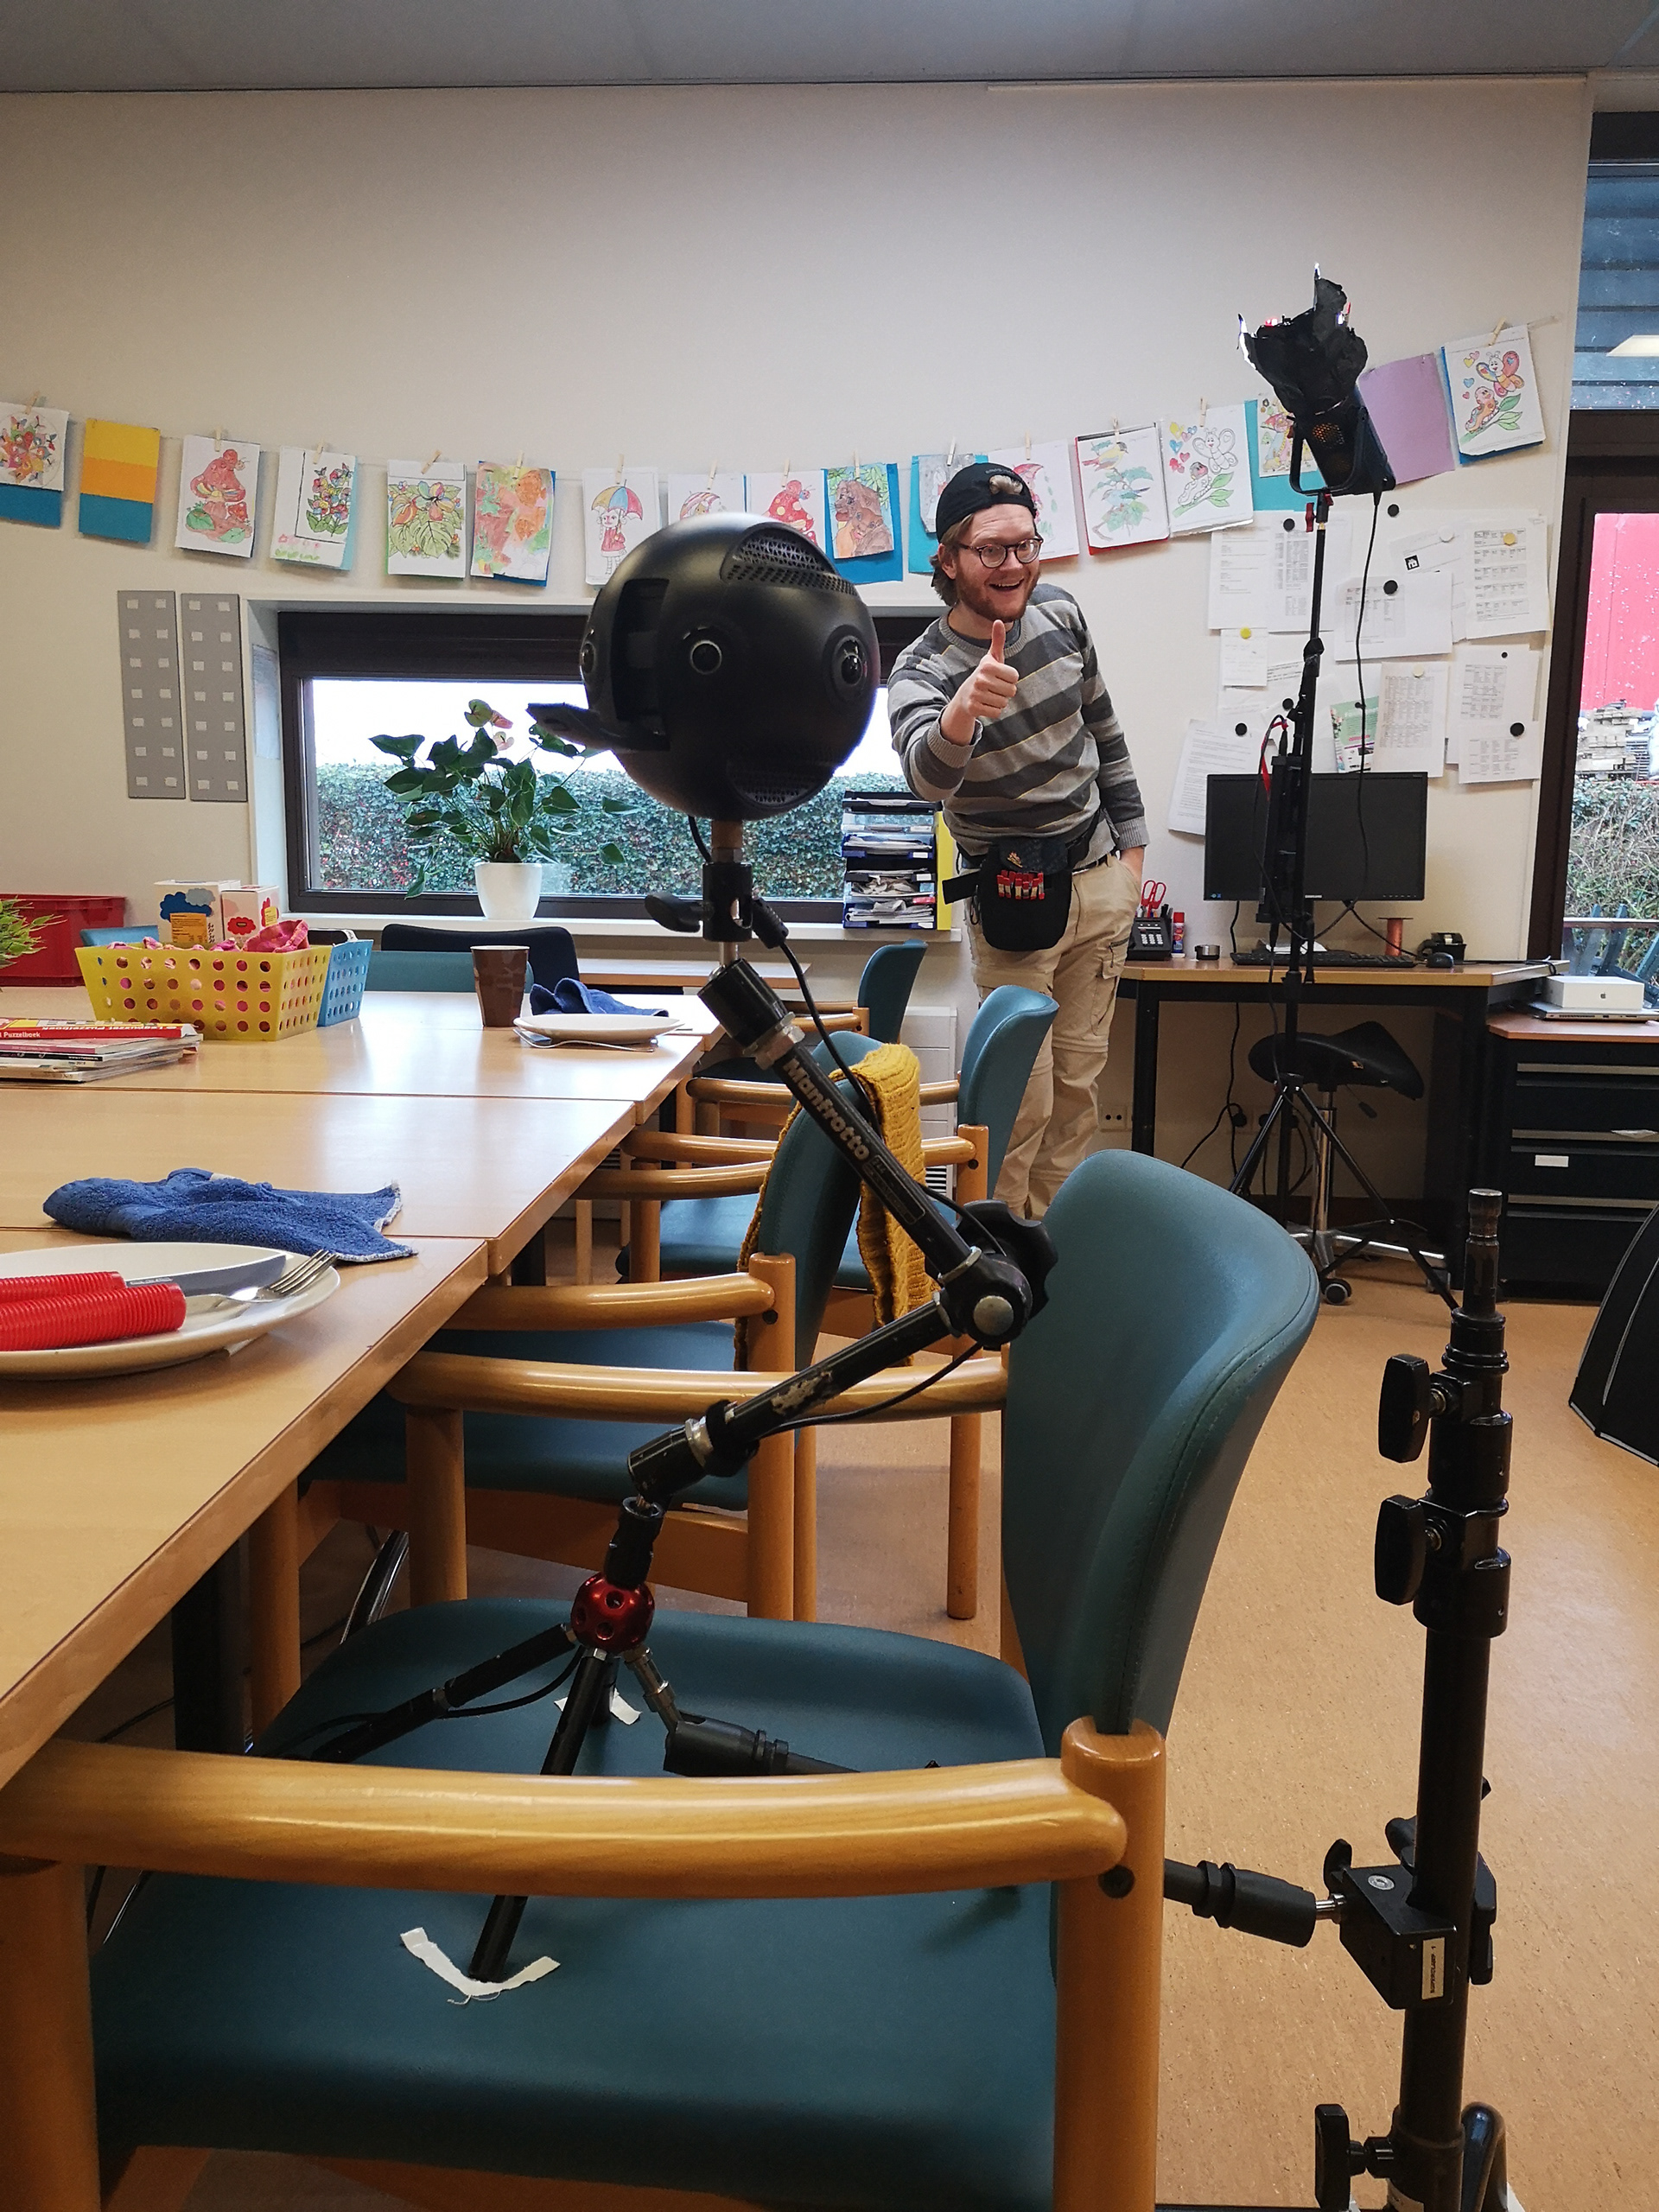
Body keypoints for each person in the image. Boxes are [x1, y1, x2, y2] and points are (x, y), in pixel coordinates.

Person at [888, 461, 1147, 1217]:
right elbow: (926, 779)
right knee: (1018, 1101)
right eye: (991, 550)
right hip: (1011, 901)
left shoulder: (1062, 614)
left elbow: (1105, 731)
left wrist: (1132, 858)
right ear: (948, 560)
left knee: (1076, 1091)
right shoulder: (920, 669)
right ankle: (999, 1261)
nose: (1013, 565)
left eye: (1026, 545)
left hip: (1099, 881)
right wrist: (962, 713)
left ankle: (1054, 1260)